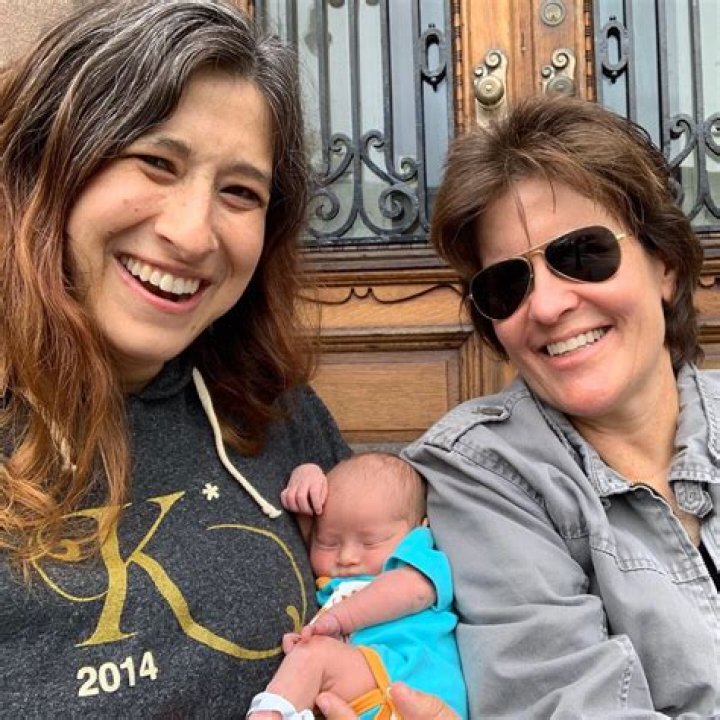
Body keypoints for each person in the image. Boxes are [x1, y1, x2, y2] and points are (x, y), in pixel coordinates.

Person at [0, 1, 354, 715]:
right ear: (48, 164)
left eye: (240, 192)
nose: (193, 235)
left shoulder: (274, 412)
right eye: (157, 162)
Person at [404, 94, 720, 718]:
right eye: (507, 284)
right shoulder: (483, 472)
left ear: (664, 265)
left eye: (581, 254)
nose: (547, 307)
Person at [248, 453, 468, 719]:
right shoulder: (335, 580)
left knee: (312, 656)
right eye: (329, 543)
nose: (346, 557)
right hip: (365, 690)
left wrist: (337, 620)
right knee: (310, 658)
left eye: (370, 542)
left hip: (412, 683)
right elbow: (303, 522)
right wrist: (304, 479)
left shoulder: (415, 561)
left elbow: (411, 592)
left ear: (419, 530)